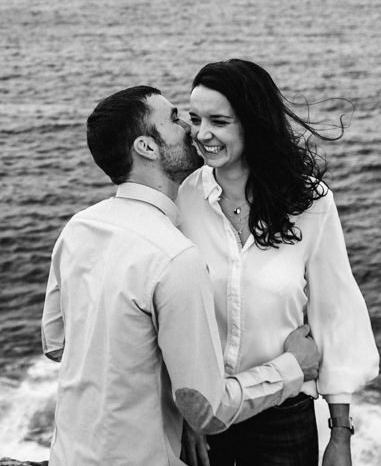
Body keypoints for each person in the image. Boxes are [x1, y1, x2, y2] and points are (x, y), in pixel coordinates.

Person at [43, 85, 322, 466]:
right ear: (147, 147)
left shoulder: (78, 228)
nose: (191, 130)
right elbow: (210, 411)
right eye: (174, 119)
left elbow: (57, 343)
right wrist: (293, 367)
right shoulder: (175, 256)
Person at [179, 59, 380, 466]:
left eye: (219, 121)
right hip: (208, 414)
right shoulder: (182, 199)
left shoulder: (310, 201)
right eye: (195, 119)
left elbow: (333, 311)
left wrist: (340, 434)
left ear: (253, 124)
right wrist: (186, 416)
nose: (202, 134)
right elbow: (170, 318)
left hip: (283, 416)